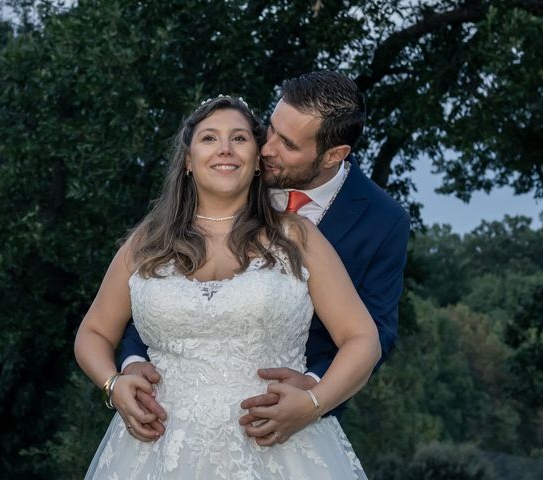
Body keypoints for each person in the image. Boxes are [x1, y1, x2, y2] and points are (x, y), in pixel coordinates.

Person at [75, 95, 381, 478]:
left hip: (280, 451)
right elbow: (93, 332)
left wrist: (313, 402)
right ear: (187, 160)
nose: (224, 149)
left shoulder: (297, 237)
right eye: (208, 138)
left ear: (257, 160)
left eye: (239, 138)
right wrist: (113, 384)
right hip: (157, 451)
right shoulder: (147, 243)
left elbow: (362, 337)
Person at [117, 71, 411, 444]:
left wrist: (314, 393)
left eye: (287, 144)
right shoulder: (231, 169)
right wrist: (128, 367)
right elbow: (157, 292)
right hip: (170, 420)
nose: (266, 148)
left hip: (287, 424)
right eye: (269, 128)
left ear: (334, 155)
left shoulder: (383, 221)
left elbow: (375, 331)